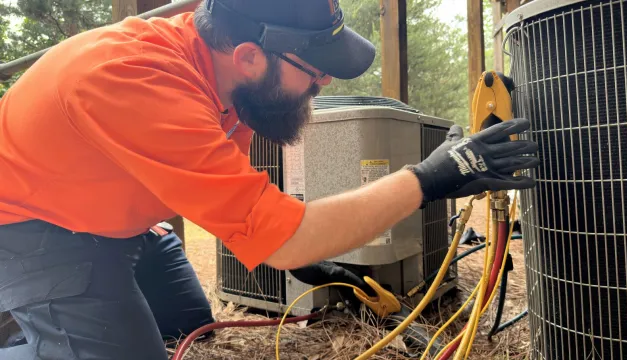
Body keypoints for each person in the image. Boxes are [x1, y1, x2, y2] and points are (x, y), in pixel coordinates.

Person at [0, 0, 540, 358]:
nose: (325, 79)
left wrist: (320, 263)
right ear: (250, 55)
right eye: (314, 66)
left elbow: (247, 206)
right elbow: (282, 239)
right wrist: (429, 179)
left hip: (122, 225)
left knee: (189, 323)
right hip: (34, 231)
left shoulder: (219, 73)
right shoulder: (137, 79)